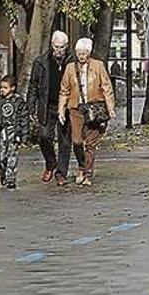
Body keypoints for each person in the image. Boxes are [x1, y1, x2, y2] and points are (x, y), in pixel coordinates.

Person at [58, 38, 115, 187]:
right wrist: (61, 110)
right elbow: (64, 89)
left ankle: (87, 173)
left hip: (94, 108)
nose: (81, 56)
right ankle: (82, 165)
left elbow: (106, 87)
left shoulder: (98, 66)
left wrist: (110, 108)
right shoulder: (70, 68)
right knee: (76, 141)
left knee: (90, 143)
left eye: (84, 53)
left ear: (89, 53)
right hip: (76, 108)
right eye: (78, 53)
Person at [28, 31, 75, 186]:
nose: (59, 51)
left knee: (65, 141)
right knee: (43, 136)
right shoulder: (41, 62)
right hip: (47, 105)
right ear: (51, 45)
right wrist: (31, 106)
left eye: (62, 47)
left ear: (67, 46)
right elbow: (33, 85)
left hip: (66, 106)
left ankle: (61, 173)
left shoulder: (72, 61)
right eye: (56, 47)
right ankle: (50, 163)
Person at [0, 75, 29, 189]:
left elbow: (24, 119)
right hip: (1, 133)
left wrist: (23, 137)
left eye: (5, 87)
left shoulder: (19, 102)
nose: (2, 90)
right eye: (1, 87)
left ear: (13, 88)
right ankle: (3, 173)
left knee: (12, 155)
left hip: (13, 132)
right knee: (1, 157)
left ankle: (11, 178)